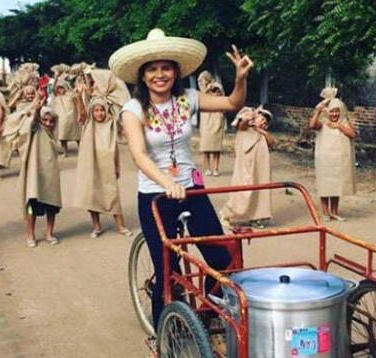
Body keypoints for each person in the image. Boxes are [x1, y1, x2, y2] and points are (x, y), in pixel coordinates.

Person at [110, 28, 253, 328]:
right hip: (156, 195)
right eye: (152, 69)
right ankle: (163, 334)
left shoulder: (187, 98)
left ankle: (207, 316)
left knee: (219, 260)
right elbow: (139, 154)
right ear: (142, 75)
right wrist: (167, 183)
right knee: (168, 272)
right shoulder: (133, 109)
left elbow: (231, 104)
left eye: (165, 68)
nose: (159, 75)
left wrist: (240, 79)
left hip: (193, 189)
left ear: (175, 72)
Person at [74, 97, 132, 238]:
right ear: (92, 112)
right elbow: (82, 114)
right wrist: (79, 98)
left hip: (107, 164)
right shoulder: (88, 124)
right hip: (91, 165)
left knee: (112, 193)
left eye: (102, 110)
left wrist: (117, 165)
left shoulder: (110, 124)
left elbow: (115, 147)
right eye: (96, 110)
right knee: (93, 194)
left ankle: (120, 225)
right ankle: (96, 226)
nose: (99, 114)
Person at [221, 106, 275, 229]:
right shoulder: (245, 130)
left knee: (260, 191)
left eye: (265, 122)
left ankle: (256, 217)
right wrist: (249, 116)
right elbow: (242, 124)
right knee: (243, 190)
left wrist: (264, 132)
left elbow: (272, 143)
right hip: (245, 167)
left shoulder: (262, 135)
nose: (263, 122)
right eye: (261, 119)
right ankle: (226, 214)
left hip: (260, 169)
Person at [309, 88, 357, 222]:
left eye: (337, 111)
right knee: (325, 185)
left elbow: (353, 135)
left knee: (336, 185)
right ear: (327, 112)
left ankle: (334, 211)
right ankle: (325, 212)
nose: (334, 114)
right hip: (325, 159)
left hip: (338, 160)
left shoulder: (344, 123)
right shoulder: (323, 124)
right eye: (332, 111)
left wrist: (339, 126)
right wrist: (318, 110)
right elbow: (312, 125)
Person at [19, 105, 62, 248]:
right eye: (45, 120)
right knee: (33, 205)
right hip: (35, 173)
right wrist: (37, 110)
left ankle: (50, 233)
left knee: (52, 205)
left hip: (50, 173)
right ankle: (30, 234)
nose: (48, 124)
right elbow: (32, 122)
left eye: (51, 121)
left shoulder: (53, 135)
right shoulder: (36, 130)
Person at [197, 71, 226, 176]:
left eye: (202, 80)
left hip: (216, 116)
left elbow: (218, 95)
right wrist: (206, 89)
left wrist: (211, 89)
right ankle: (207, 168)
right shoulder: (202, 90)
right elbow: (203, 96)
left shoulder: (216, 85)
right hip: (205, 117)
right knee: (206, 146)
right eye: (199, 81)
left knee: (216, 146)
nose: (200, 82)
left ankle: (216, 168)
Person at [52, 80, 80, 156]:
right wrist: (57, 77)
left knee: (77, 135)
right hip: (60, 119)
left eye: (61, 88)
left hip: (71, 118)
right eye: (58, 88)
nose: (60, 90)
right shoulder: (56, 96)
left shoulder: (71, 95)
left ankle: (81, 149)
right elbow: (53, 88)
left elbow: (77, 104)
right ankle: (65, 151)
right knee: (62, 136)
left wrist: (79, 114)